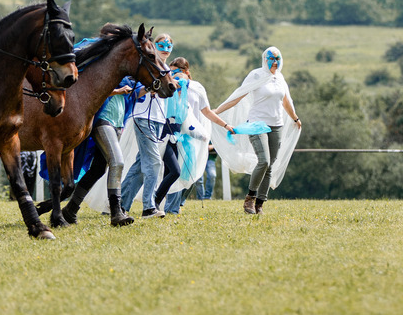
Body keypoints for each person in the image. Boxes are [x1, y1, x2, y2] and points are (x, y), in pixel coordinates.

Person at [215, 46, 302, 215]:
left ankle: (260, 204)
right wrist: (216, 112)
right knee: (264, 160)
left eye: (278, 58)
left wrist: (295, 118)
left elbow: (286, 101)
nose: (275, 62)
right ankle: (250, 198)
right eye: (271, 58)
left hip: (276, 125)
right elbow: (238, 95)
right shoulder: (256, 75)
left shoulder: (280, 78)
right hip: (257, 124)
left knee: (270, 166)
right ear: (264, 60)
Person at [157, 58, 232, 214]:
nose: (173, 75)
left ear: (186, 72)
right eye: (170, 71)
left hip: (195, 135)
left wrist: (225, 125)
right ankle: (171, 208)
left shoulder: (197, 88)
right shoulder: (171, 86)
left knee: (191, 174)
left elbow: (207, 112)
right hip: (176, 134)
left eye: (176, 71)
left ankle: (178, 203)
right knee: (175, 171)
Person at [60, 78, 137, 226]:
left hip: (118, 124)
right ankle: (116, 212)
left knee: (97, 170)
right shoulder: (107, 69)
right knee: (117, 162)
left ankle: (71, 209)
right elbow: (94, 91)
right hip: (103, 120)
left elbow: (136, 93)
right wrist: (118, 91)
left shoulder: (128, 78)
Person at [120, 33, 174, 218]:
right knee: (154, 162)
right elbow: (134, 92)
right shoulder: (146, 67)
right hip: (143, 116)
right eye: (161, 46)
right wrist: (149, 88)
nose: (165, 50)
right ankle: (149, 207)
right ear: (154, 47)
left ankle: (120, 205)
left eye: (169, 46)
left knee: (140, 167)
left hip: (158, 119)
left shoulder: (166, 69)